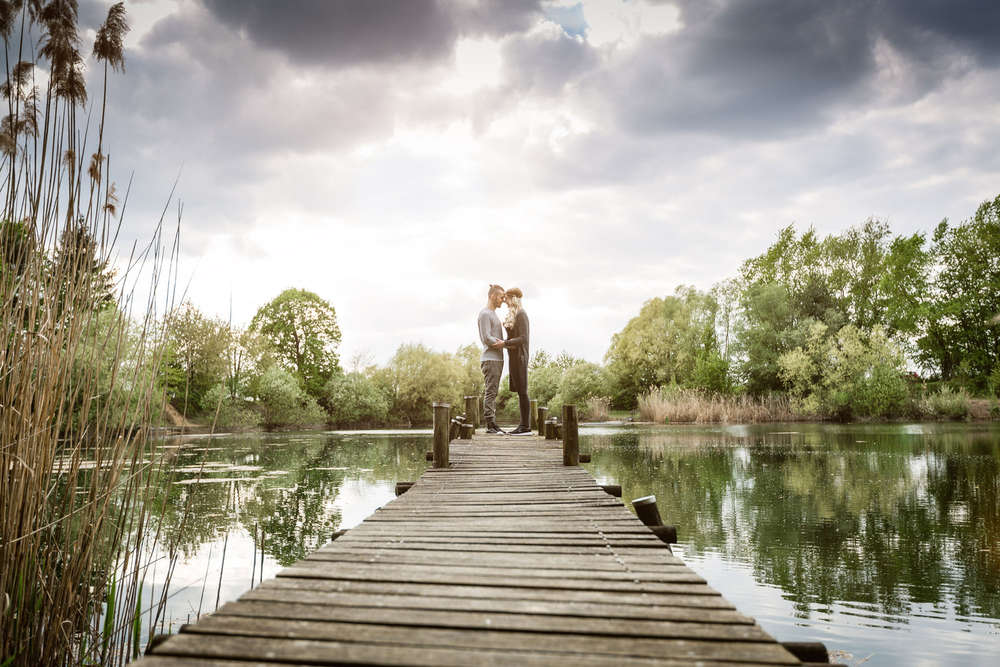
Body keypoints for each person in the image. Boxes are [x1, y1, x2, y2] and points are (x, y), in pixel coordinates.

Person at [478, 284, 507, 434]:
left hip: (498, 359)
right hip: (490, 359)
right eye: (501, 296)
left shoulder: (494, 314)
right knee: (490, 391)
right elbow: (486, 338)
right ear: (492, 296)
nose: (503, 299)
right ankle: (490, 425)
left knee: (494, 391)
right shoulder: (485, 314)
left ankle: (493, 424)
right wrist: (504, 344)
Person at [503, 287, 531, 435]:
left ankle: (525, 426)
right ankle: (523, 425)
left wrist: (505, 343)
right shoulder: (515, 315)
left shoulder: (521, 314)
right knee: (520, 391)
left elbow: (523, 338)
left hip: (520, 357)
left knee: (523, 391)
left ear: (513, 298)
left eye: (506, 299)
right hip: (513, 357)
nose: (505, 302)